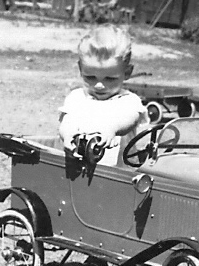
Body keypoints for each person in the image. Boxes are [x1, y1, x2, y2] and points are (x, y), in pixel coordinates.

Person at [57, 25, 148, 164]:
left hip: (119, 172)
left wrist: (113, 128)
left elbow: (130, 119)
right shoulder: (77, 98)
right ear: (81, 69)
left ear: (127, 73)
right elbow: (66, 121)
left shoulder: (128, 101)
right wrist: (67, 134)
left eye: (110, 79)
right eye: (90, 77)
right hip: (81, 166)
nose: (99, 85)